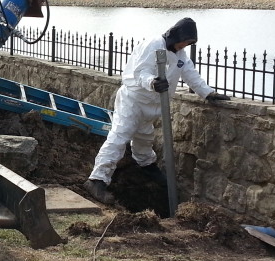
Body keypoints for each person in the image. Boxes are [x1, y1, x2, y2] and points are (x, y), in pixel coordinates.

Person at [84, 17, 229, 204]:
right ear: (175, 35)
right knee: (119, 136)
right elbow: (140, 72)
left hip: (153, 105)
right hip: (134, 100)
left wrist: (208, 93)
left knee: (145, 136)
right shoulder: (153, 45)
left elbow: (191, 75)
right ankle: (97, 179)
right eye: (184, 41)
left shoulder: (180, 56)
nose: (185, 45)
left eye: (189, 43)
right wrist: (152, 82)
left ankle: (146, 165)